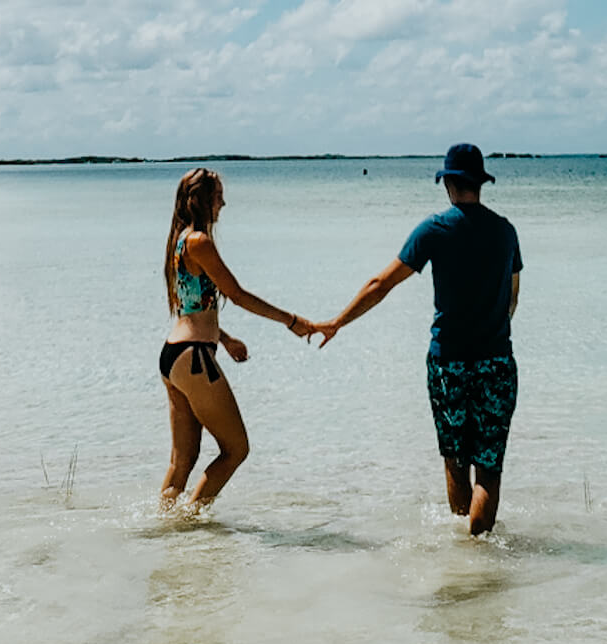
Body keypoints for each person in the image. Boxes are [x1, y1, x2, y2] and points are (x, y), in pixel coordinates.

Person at [315, 144, 521, 535]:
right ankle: (481, 557)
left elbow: (381, 284)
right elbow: (512, 297)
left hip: (448, 366)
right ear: (480, 183)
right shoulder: (505, 232)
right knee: (489, 471)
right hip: (497, 364)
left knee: (456, 463)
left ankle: (463, 559)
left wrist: (337, 322)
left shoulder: (435, 230)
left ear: (448, 183)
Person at [159, 166, 315, 509]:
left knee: (180, 463)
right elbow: (238, 294)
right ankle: (190, 527)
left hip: (174, 355)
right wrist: (291, 321)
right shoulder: (200, 242)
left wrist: (224, 338)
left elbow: (190, 304)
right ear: (202, 201)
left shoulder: (179, 240)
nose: (223, 204)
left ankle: (166, 531)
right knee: (236, 449)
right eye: (218, 197)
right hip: (195, 357)